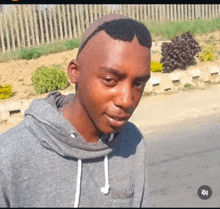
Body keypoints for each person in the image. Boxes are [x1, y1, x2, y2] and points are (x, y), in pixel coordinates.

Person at [0, 14, 152, 207]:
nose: (126, 100)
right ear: (75, 72)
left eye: (138, 84)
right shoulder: (9, 155)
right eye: (110, 80)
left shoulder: (132, 142)